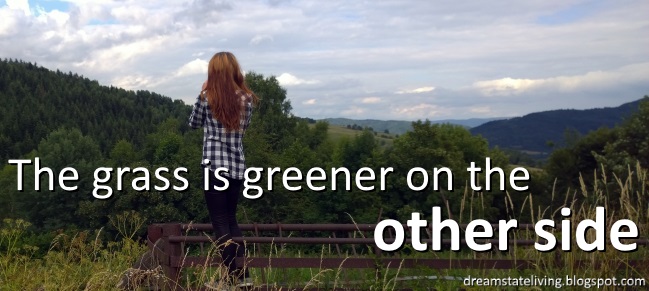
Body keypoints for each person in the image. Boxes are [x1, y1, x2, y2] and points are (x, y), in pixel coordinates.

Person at [188, 51, 259, 290]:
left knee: (220, 222)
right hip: (237, 167)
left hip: (213, 166)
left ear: (213, 73)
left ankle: (232, 278)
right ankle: (243, 275)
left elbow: (193, 123)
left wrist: (203, 92)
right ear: (234, 71)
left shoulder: (207, 97)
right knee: (231, 220)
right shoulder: (247, 99)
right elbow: (244, 128)